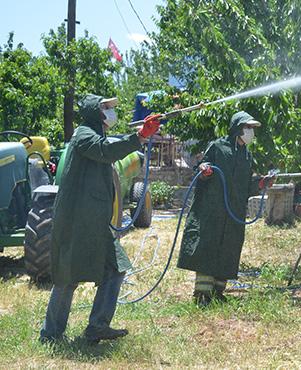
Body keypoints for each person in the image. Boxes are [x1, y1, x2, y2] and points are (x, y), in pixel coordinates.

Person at [39, 94, 161, 344]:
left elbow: (107, 149)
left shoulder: (96, 135)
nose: (111, 112)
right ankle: (50, 334)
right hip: (76, 221)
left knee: (115, 269)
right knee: (67, 276)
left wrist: (139, 135)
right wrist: (139, 137)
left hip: (94, 222)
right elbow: (105, 152)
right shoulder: (84, 134)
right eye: (106, 107)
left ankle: (97, 326)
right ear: (95, 111)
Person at [178, 111, 273, 306]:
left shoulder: (247, 155)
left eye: (252, 128)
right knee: (208, 247)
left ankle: (218, 293)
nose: (251, 132)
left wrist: (262, 183)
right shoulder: (219, 147)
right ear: (238, 128)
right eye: (248, 128)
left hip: (234, 212)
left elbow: (248, 185)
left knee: (228, 249)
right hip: (212, 209)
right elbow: (201, 168)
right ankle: (202, 295)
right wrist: (205, 170)